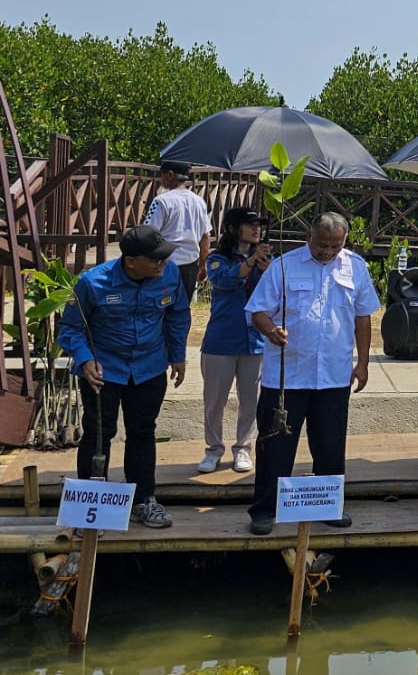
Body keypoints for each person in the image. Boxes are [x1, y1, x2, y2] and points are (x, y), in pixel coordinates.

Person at [244, 212, 380, 535]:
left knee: (331, 446)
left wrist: (362, 363)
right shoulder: (284, 266)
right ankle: (264, 510)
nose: (328, 252)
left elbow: (363, 318)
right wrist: (271, 330)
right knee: (275, 446)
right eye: (322, 244)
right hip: (287, 376)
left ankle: (329, 506)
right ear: (310, 235)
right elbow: (256, 311)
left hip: (333, 376)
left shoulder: (355, 267)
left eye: (335, 246)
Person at [59, 225, 189, 529]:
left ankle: (144, 500)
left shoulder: (169, 276)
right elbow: (70, 328)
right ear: (131, 261)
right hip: (104, 371)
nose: (163, 264)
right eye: (155, 259)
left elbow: (178, 314)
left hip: (149, 367)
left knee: (143, 432)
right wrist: (84, 358)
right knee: (98, 435)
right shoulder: (92, 283)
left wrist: (178, 354)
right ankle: (93, 507)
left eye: (164, 258)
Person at [199, 207, 270, 475]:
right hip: (221, 340)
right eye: (249, 224)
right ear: (232, 227)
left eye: (259, 225)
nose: (256, 229)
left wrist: (267, 268)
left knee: (251, 399)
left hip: (255, 340)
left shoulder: (265, 259)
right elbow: (224, 281)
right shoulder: (217, 258)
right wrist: (250, 265)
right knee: (214, 401)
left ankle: (243, 448)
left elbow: (272, 293)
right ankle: (213, 449)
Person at [143, 160, 212, 300]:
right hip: (190, 264)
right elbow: (205, 237)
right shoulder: (199, 202)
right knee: (182, 310)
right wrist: (203, 265)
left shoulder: (161, 201)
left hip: (165, 264)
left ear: (170, 175)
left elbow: (147, 233)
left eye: (161, 175)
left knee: (159, 308)